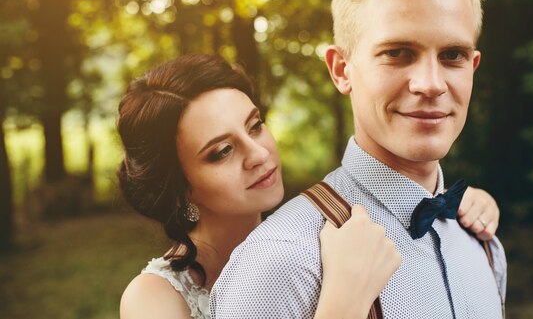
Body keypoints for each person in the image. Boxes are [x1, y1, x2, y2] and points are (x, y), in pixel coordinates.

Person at [209, 0, 506, 319]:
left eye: (452, 56)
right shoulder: (282, 258)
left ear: (473, 66)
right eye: (398, 53)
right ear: (341, 70)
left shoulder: (483, 245)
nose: (430, 84)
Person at [116, 53, 501, 319]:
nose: (258, 154)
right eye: (221, 152)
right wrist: (345, 300)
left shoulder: (310, 233)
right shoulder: (153, 299)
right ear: (181, 188)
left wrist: (450, 201)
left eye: (255, 126)